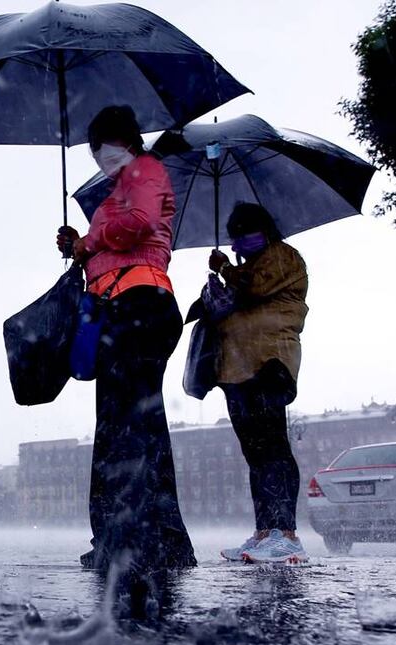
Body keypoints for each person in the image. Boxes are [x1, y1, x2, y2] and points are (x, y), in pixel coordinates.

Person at [57, 105, 196, 577]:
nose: (98, 155)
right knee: (135, 425)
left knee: (124, 428)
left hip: (138, 306)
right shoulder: (126, 181)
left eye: (100, 145)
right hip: (126, 306)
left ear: (120, 140)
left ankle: (130, 539)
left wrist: (90, 241)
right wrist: (80, 243)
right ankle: (151, 539)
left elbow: (136, 223)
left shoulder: (145, 169)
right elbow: (117, 235)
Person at [208, 203, 309, 564]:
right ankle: (265, 532)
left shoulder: (283, 257)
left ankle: (286, 534)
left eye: (243, 235)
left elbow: (254, 290)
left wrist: (223, 268)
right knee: (255, 453)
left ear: (263, 231)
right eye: (235, 238)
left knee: (273, 448)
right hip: (237, 368)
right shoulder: (244, 267)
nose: (238, 244)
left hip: (270, 362)